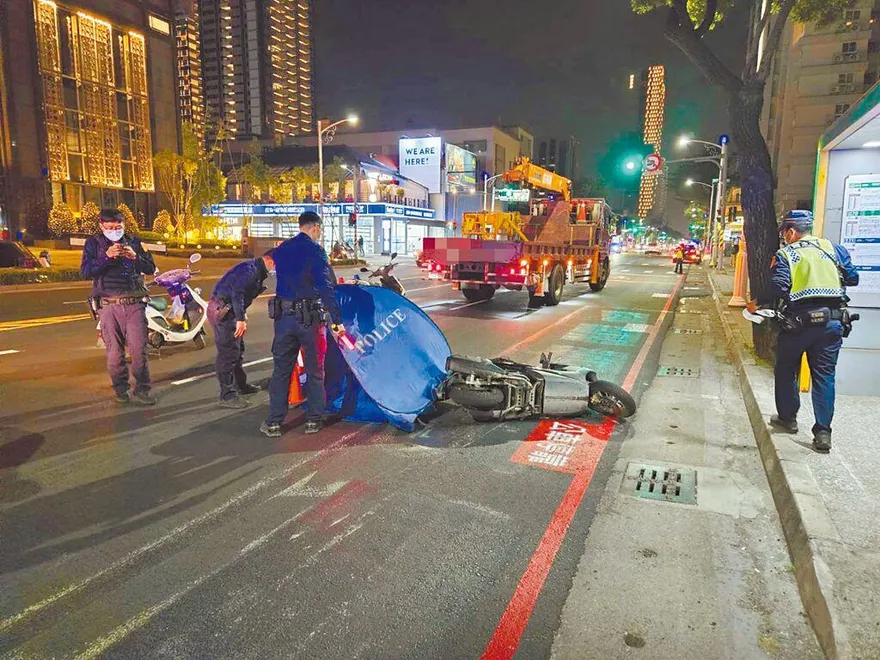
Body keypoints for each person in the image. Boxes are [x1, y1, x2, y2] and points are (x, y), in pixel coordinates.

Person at [747, 210, 859, 453]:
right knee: (824, 376)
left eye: (785, 233)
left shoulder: (787, 253)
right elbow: (853, 278)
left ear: (791, 231)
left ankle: (788, 418)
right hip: (832, 323)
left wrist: (757, 303)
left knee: (787, 369)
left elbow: (778, 286)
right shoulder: (834, 249)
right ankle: (822, 433)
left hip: (798, 324)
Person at [261, 211, 345, 437]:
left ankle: (274, 423)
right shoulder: (315, 251)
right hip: (309, 320)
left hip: (284, 319)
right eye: (320, 230)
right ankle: (313, 420)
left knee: (281, 371)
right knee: (315, 370)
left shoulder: (282, 249)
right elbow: (326, 287)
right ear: (315, 228)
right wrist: (337, 320)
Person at [80, 208, 157, 405]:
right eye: (110, 227)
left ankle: (143, 389)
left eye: (118, 226)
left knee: (139, 350)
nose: (115, 230)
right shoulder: (93, 244)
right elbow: (86, 272)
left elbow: (150, 268)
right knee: (114, 352)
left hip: (134, 303)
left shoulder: (133, 242)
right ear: (101, 226)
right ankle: (121, 389)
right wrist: (106, 256)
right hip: (109, 305)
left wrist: (134, 257)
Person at [207, 248, 276, 409]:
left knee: (237, 350)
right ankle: (228, 395)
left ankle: (241, 385)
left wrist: (241, 314)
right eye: (275, 264)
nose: (275, 269)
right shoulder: (250, 271)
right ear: (269, 260)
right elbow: (237, 294)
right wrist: (239, 319)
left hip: (227, 309)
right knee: (229, 353)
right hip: (223, 311)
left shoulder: (255, 270)